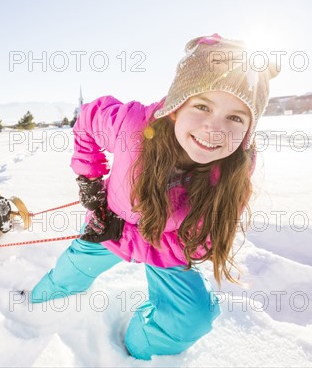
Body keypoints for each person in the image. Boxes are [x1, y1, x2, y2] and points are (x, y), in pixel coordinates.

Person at [30, 34, 280, 360]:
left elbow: (201, 239)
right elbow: (88, 119)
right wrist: (89, 180)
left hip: (168, 245)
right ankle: (32, 313)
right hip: (110, 224)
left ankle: (138, 352)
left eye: (235, 117)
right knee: (65, 277)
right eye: (202, 106)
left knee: (190, 318)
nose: (214, 129)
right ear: (176, 108)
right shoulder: (133, 127)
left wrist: (142, 242)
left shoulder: (235, 167)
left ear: (248, 129)